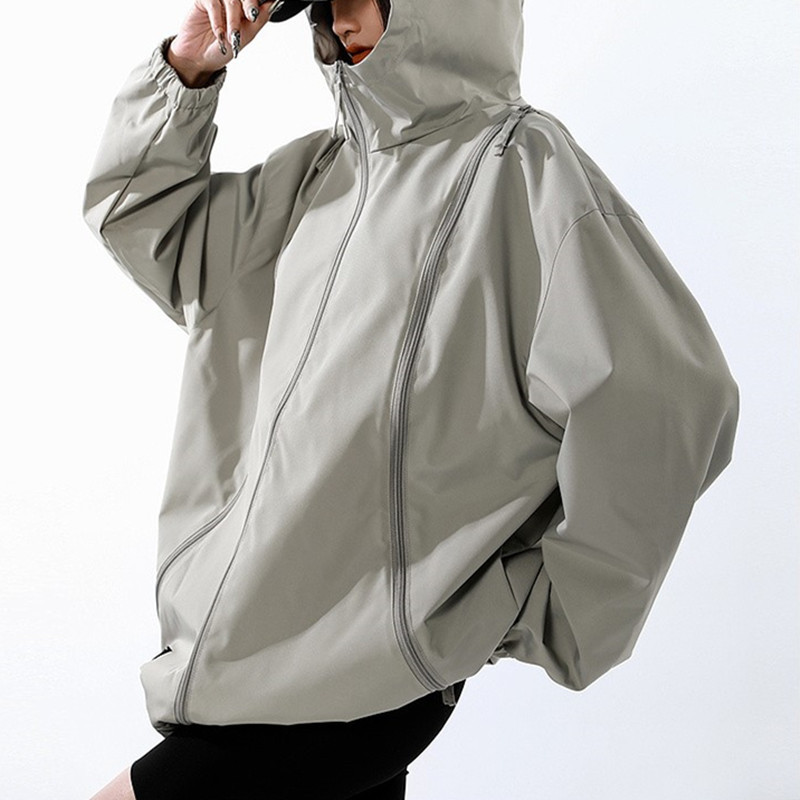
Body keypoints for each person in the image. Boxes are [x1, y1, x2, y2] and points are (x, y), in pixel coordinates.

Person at [83, 0, 739, 797]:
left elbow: (665, 398)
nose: (337, 18)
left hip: (360, 689)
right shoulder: (317, 176)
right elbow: (145, 223)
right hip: (239, 663)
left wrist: (546, 605)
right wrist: (188, 68)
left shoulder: (520, 169)